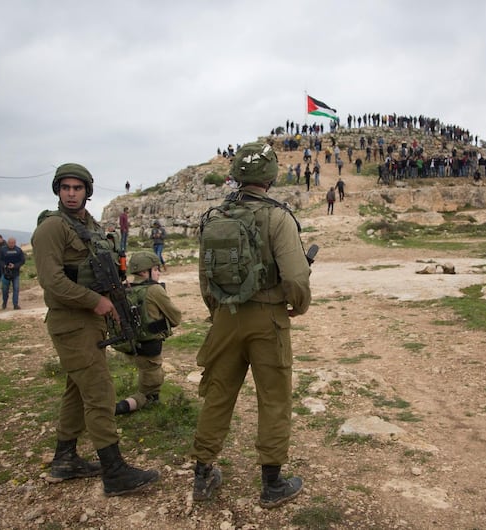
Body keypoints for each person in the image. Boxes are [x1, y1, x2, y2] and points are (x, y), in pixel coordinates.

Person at [191, 142, 312, 509]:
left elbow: (205, 278)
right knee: (273, 398)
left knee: (217, 396)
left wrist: (218, 314)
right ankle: (272, 484)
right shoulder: (279, 218)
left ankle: (202, 474)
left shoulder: (214, 217)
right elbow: (295, 276)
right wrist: (298, 306)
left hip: (225, 319)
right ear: (271, 177)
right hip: (268, 319)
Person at [32, 162, 159, 496]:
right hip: (71, 322)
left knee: (77, 388)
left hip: (90, 321)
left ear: (87, 190)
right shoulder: (52, 228)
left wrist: (113, 302)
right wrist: (95, 301)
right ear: (57, 191)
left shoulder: (89, 226)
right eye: (65, 188)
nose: (71, 194)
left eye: (77, 188)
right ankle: (114, 471)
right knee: (100, 391)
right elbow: (52, 282)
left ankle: (65, 459)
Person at [115, 251, 182, 415]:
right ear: (145, 272)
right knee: (149, 388)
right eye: (156, 269)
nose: (158, 272)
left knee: (148, 379)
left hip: (131, 345)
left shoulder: (126, 289)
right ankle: (117, 408)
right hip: (150, 347)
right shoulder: (154, 290)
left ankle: (151, 400)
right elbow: (176, 318)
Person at [0, 237, 25, 309]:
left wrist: (15, 265)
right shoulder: (3, 250)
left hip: (15, 273)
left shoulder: (18, 250)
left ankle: (15, 304)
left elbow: (22, 261)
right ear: (7, 243)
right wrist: (5, 265)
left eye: (12, 243)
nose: (11, 244)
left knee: (16, 289)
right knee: (5, 289)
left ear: (15, 243)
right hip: (5, 273)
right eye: (10, 243)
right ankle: (4, 303)